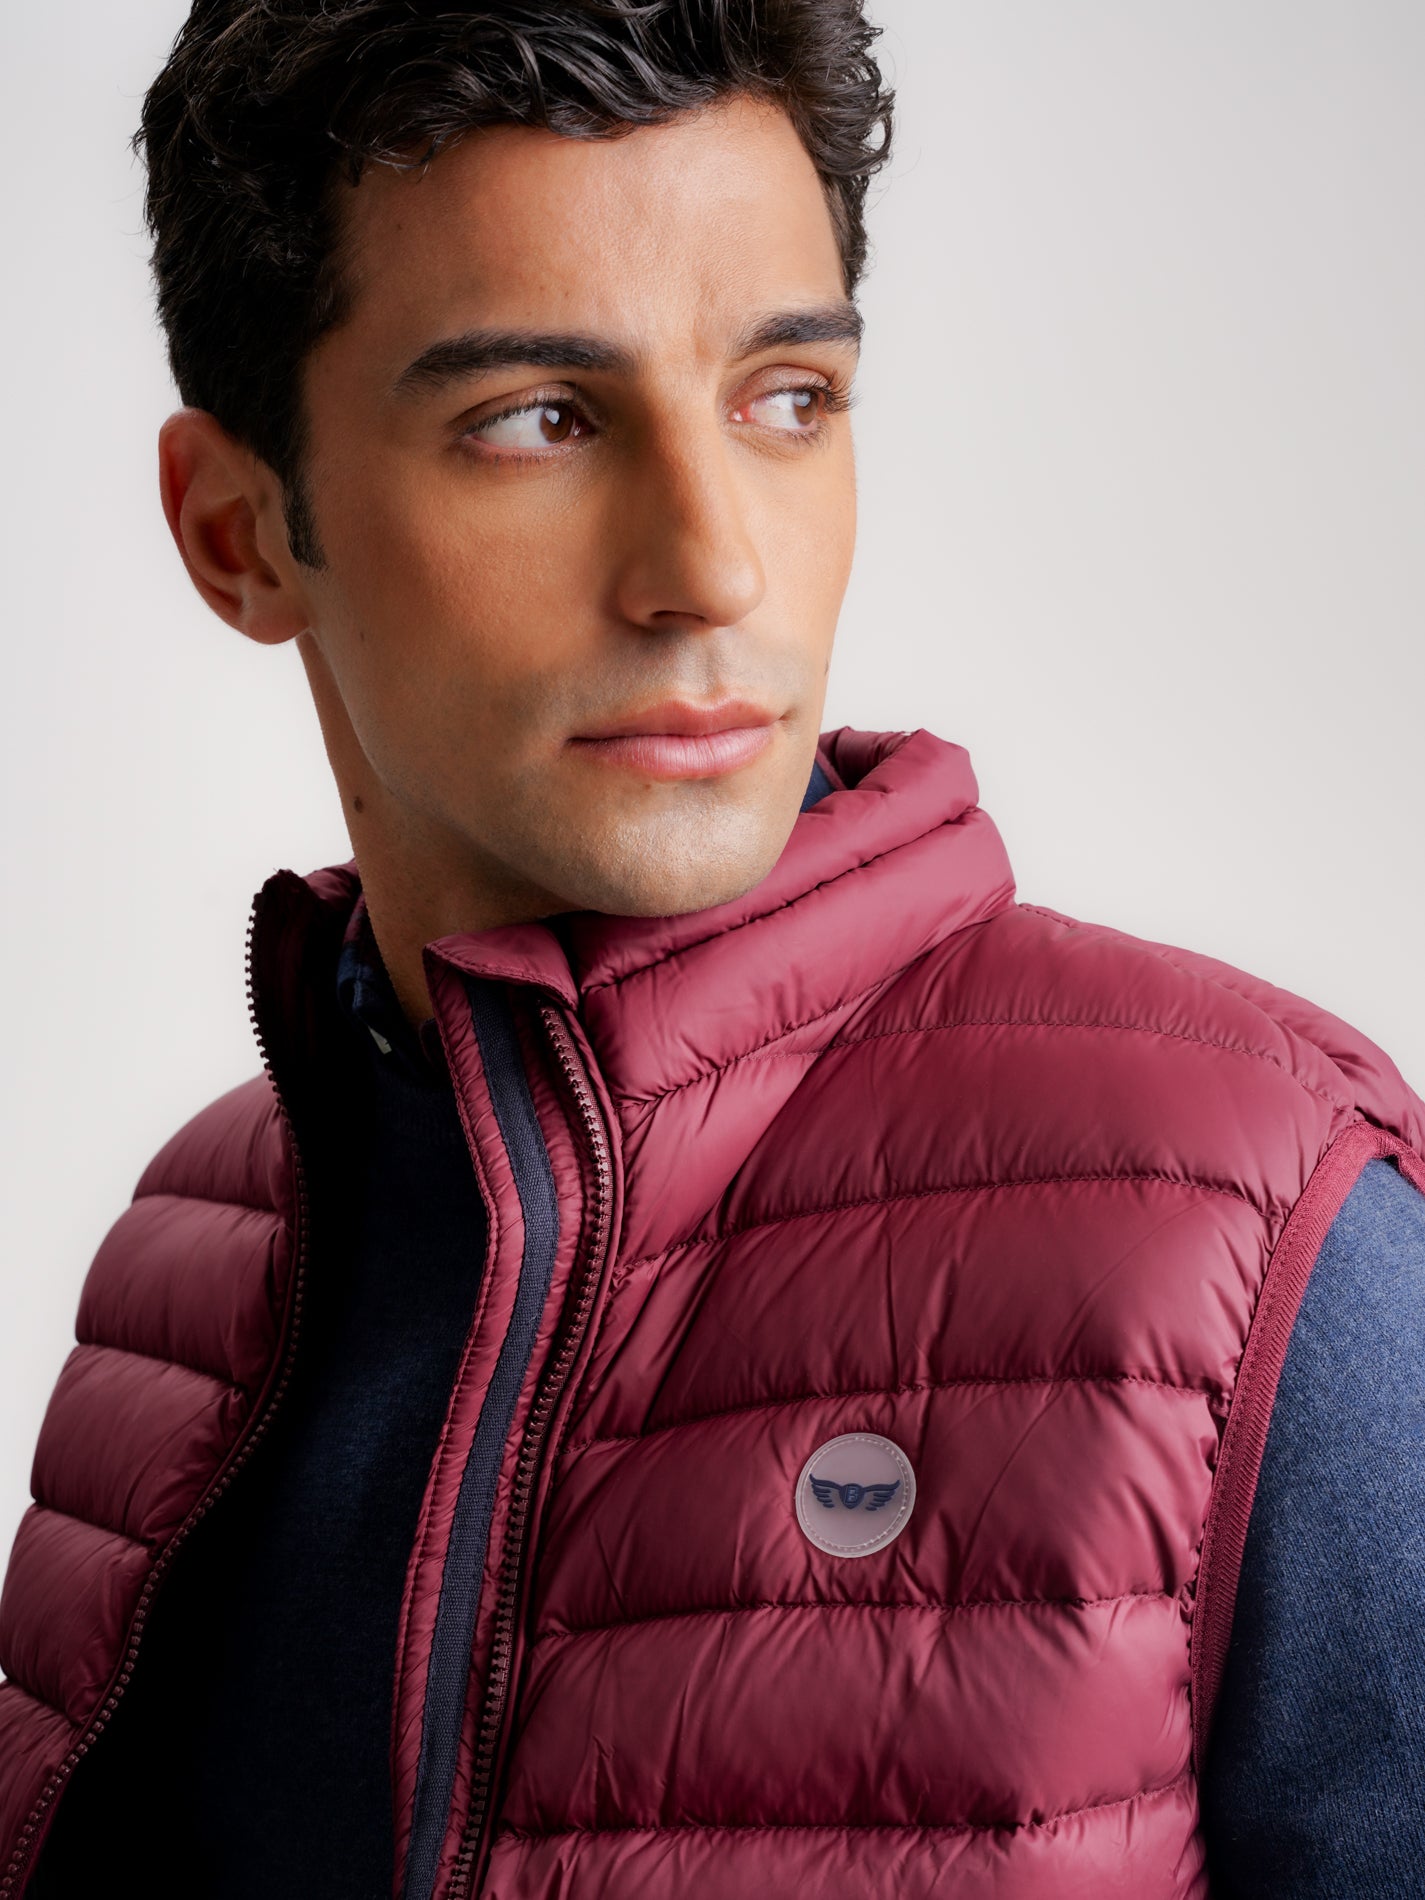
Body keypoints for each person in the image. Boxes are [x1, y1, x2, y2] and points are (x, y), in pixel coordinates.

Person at [1, 3, 1422, 1896]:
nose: (714, 567)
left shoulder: (1260, 1228)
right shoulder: (191, 1266)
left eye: (786, 398)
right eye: (535, 418)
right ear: (239, 535)